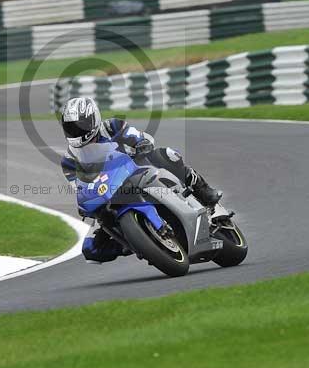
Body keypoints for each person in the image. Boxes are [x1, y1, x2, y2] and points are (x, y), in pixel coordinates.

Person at [59, 96, 223, 263]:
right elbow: (81, 189)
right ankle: (137, 242)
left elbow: (138, 136)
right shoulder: (69, 161)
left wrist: (141, 143)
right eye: (71, 128)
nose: (77, 131)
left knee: (167, 155)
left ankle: (203, 191)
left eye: (80, 125)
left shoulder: (111, 127)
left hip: (139, 170)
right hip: (109, 194)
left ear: (93, 119)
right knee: (90, 249)